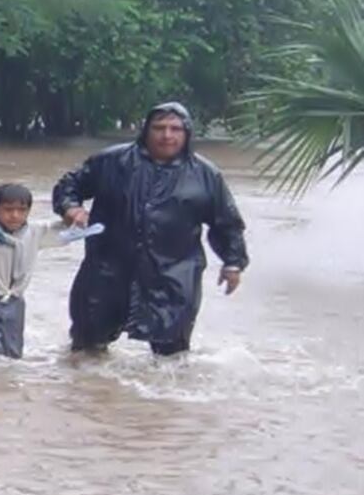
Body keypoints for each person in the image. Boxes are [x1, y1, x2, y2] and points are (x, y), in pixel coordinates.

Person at [52, 101, 249, 356]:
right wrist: (71, 208)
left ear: (187, 133)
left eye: (175, 129)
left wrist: (233, 263)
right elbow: (70, 185)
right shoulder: (112, 161)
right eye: (159, 128)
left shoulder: (206, 175)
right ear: (146, 130)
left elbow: (227, 223)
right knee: (87, 350)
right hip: (107, 271)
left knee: (172, 358)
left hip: (174, 276)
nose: (167, 135)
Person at [0, 183, 73, 358]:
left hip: (15, 301)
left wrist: (73, 215)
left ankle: (6, 376)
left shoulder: (35, 232)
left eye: (22, 210)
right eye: (8, 209)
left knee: (14, 352)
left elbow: (64, 230)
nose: (15, 215)